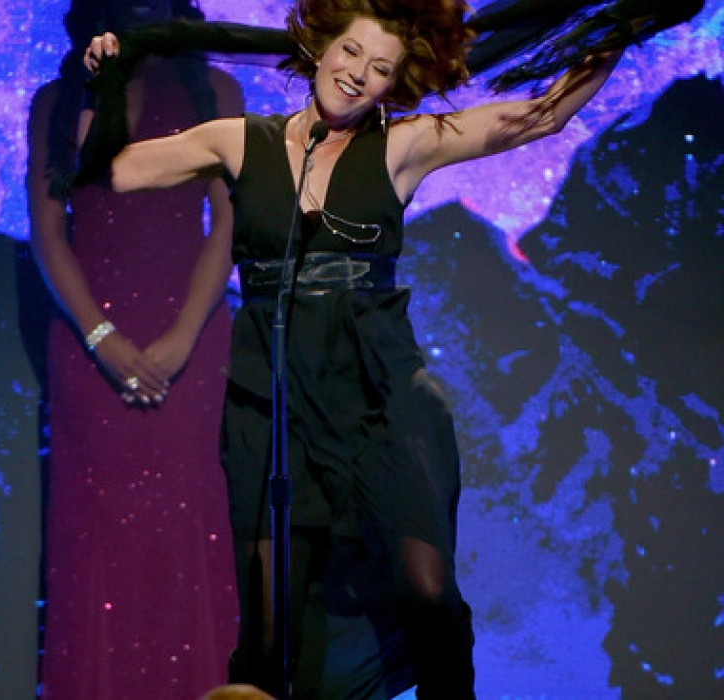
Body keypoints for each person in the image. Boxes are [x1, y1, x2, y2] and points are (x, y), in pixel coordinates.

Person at [80, 0, 687, 697]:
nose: (357, 76)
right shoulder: (238, 140)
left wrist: (615, 32)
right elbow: (116, 171)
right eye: (349, 54)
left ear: (394, 84)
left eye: (379, 69)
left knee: (426, 593)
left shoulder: (404, 145)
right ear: (318, 48)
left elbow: (542, 115)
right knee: (271, 627)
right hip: (271, 398)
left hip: (380, 395)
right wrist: (106, 80)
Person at [27, 1, 244, 698]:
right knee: (95, 541)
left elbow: (228, 227)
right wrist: (101, 337)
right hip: (89, 350)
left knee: (189, 531)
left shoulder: (216, 93)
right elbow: (49, 232)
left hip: (193, 342)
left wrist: (183, 337)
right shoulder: (57, 101)